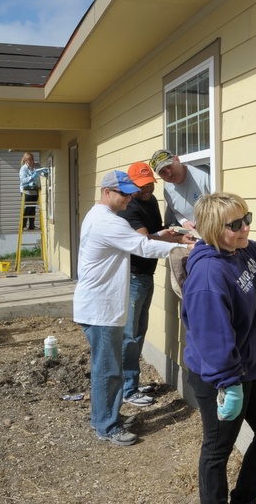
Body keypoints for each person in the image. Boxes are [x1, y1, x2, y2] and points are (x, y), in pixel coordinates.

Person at [182, 192, 256, 504]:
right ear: (213, 229)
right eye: (236, 224)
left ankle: (245, 498)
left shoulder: (243, 251)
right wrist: (228, 382)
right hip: (221, 375)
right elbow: (212, 335)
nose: (246, 228)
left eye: (247, 219)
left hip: (252, 367)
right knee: (218, 450)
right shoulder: (208, 275)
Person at [74, 170, 190, 447]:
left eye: (129, 192)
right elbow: (142, 245)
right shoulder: (106, 222)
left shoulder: (101, 217)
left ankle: (103, 416)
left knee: (106, 366)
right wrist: (188, 249)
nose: (128, 197)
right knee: (108, 369)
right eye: (123, 193)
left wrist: (168, 237)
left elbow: (141, 240)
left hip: (99, 307)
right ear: (107, 193)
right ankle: (106, 425)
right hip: (100, 309)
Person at [116, 161, 192, 408]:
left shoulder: (150, 200)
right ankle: (127, 389)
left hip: (146, 275)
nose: (147, 189)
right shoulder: (129, 206)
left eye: (150, 184)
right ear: (130, 185)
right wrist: (177, 243)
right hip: (133, 275)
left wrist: (179, 235)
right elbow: (142, 241)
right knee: (129, 335)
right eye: (142, 186)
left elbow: (156, 231)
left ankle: (132, 385)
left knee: (139, 331)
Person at [149, 148, 211, 230]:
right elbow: (176, 212)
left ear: (177, 159)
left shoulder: (204, 175)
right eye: (163, 172)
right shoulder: (168, 190)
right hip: (195, 236)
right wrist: (184, 222)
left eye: (169, 166)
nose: (169, 173)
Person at [19, 152, 43, 230]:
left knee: (33, 208)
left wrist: (43, 172)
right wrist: (31, 178)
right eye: (29, 160)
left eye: (32, 159)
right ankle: (24, 225)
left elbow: (41, 171)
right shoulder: (24, 169)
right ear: (26, 161)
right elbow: (23, 180)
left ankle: (32, 225)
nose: (31, 161)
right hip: (26, 190)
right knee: (27, 207)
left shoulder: (37, 166)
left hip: (35, 189)